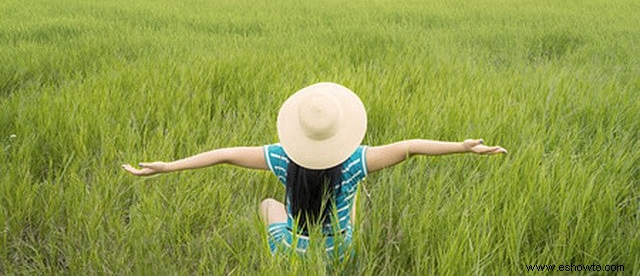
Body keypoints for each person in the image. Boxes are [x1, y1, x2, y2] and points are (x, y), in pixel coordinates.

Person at [122, 82, 507, 260]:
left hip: (292, 252)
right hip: (340, 252)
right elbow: (410, 148)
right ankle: (339, 236)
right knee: (353, 199)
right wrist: (462, 147)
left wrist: (167, 167)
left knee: (267, 204)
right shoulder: (356, 162)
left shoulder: (281, 157)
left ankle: (286, 245)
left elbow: (223, 154)